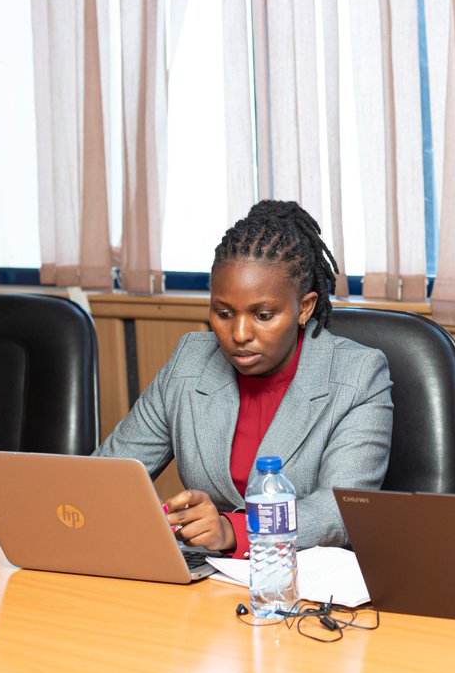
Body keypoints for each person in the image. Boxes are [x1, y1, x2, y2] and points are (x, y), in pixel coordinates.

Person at [96, 200, 393, 556]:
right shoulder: (190, 360)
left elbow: (339, 512)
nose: (238, 333)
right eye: (223, 313)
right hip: (204, 581)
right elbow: (106, 477)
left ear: (305, 307)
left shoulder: (358, 375)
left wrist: (234, 530)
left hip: (299, 588)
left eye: (263, 315)